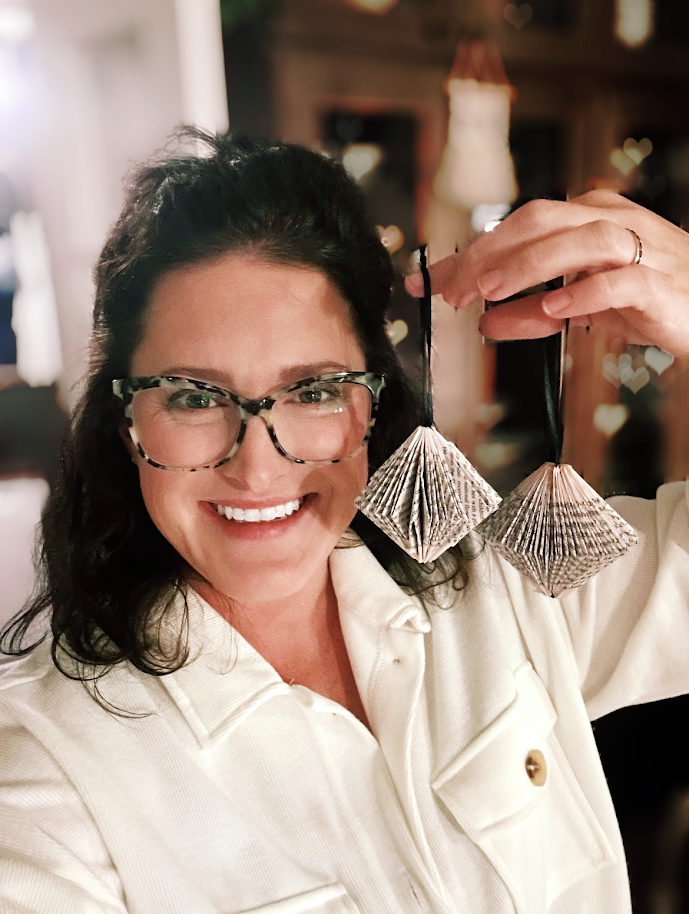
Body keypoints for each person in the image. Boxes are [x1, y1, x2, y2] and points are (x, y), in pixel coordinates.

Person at [0, 127, 688, 914]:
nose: (257, 468)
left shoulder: (510, 592)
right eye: (193, 397)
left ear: (371, 403)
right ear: (127, 422)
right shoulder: (39, 765)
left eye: (314, 390)